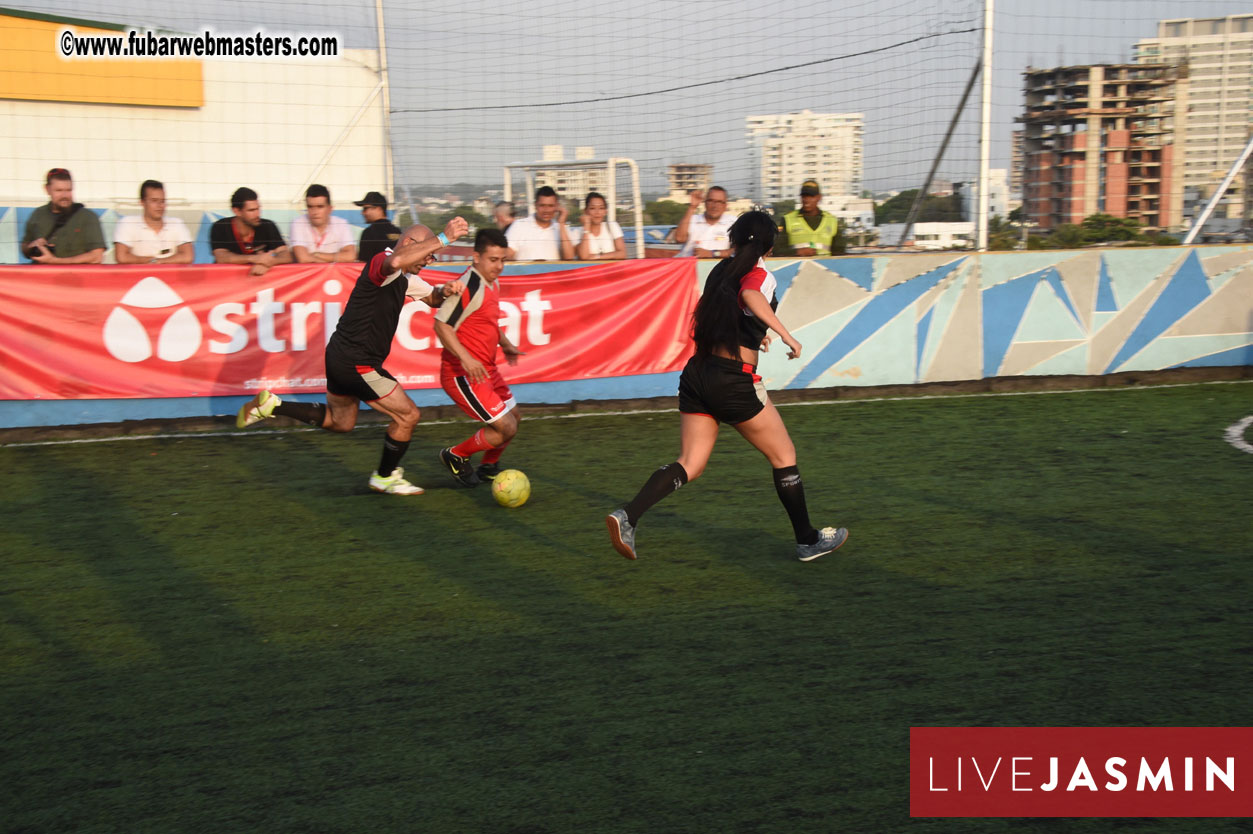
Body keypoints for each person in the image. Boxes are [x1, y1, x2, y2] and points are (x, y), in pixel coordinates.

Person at [606, 211, 848, 562]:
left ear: (733, 238)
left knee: (690, 462)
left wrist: (754, 334)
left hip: (698, 374)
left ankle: (628, 516)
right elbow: (751, 296)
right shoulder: (760, 273)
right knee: (784, 456)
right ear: (769, 244)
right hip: (732, 380)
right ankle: (808, 540)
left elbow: (717, 312)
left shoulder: (721, 270)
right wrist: (785, 335)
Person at [234, 217, 471, 495]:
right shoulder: (383, 261)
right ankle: (385, 477)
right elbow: (394, 262)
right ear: (409, 244)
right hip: (358, 362)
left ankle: (273, 405)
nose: (429, 260)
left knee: (341, 421)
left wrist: (446, 290)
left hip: (339, 356)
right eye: (428, 254)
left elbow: (431, 298)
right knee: (408, 415)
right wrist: (444, 237)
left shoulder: (405, 277)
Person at [433, 228, 525, 486]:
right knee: (506, 427)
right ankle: (455, 455)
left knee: (514, 416)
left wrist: (505, 344)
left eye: (503, 260)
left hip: (486, 369)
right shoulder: (469, 286)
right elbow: (442, 325)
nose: (499, 266)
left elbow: (487, 322)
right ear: (476, 257)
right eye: (493, 260)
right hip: (462, 374)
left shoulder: (491, 282)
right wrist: (465, 358)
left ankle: (488, 466)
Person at [21, 168, 105, 265]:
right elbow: (24, 247)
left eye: (68, 190)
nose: (64, 195)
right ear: (47, 189)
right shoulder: (38, 214)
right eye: (59, 190)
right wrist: (33, 246)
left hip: (74, 277)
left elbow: (96, 257)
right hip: (41, 277)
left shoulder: (88, 217)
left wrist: (55, 261)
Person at [210, 187, 292, 276]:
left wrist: (269, 262)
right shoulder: (221, 226)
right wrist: (255, 259)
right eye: (251, 210)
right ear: (237, 211)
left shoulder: (268, 225)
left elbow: (286, 255)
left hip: (259, 282)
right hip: (228, 281)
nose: (258, 214)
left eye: (258, 209)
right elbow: (221, 258)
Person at [113, 179, 194, 264]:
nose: (160, 206)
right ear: (142, 202)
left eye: (162, 201)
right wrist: (152, 262)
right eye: (154, 201)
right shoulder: (127, 223)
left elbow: (188, 257)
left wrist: (158, 262)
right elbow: (121, 257)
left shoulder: (177, 224)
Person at [776, 179, 845, 257]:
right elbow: (777, 250)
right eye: (804, 196)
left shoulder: (832, 220)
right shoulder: (788, 219)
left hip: (825, 268)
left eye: (811, 196)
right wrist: (797, 252)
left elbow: (840, 252)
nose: (806, 200)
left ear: (819, 198)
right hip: (796, 268)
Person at [290, 184, 356, 263]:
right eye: (310, 207)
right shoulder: (298, 223)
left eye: (320, 206)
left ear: (330, 209)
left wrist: (316, 255)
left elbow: (350, 256)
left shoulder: (341, 224)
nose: (314, 212)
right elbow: (303, 259)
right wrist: (332, 261)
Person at [505, 186, 574, 260]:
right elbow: (506, 255)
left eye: (550, 206)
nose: (546, 210)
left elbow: (569, 257)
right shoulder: (519, 225)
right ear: (535, 205)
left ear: (556, 206)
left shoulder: (561, 228)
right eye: (542, 205)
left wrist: (561, 223)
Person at [674, 186, 735, 258]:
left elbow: (740, 250)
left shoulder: (732, 222)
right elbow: (679, 239)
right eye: (711, 201)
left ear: (725, 205)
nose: (714, 206)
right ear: (705, 203)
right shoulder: (692, 219)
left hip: (719, 268)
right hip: (690, 267)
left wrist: (713, 254)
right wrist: (692, 207)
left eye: (719, 202)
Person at [574, 191, 626, 260]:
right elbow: (584, 256)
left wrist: (597, 257)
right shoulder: (577, 232)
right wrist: (586, 228)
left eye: (601, 208)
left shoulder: (612, 226)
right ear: (585, 211)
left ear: (605, 211)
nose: (597, 212)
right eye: (592, 208)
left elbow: (622, 253)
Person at [355, 191, 401, 263]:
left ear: (379, 209)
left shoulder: (369, 233)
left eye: (365, 209)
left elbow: (363, 264)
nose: (363, 213)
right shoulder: (398, 232)